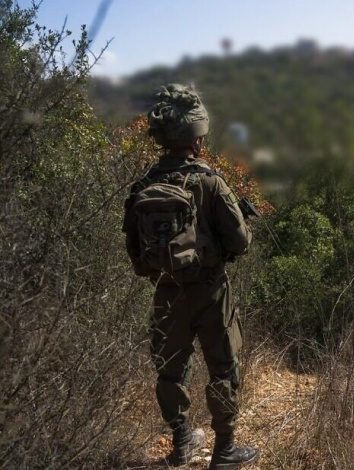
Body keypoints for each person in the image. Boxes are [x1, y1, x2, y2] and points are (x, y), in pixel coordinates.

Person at [122, 84, 258, 469]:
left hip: (166, 291)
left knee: (170, 370)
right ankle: (225, 449)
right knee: (223, 368)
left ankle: (182, 439)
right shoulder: (210, 181)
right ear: (197, 137)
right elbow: (240, 241)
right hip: (211, 291)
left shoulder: (144, 185)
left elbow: (134, 249)